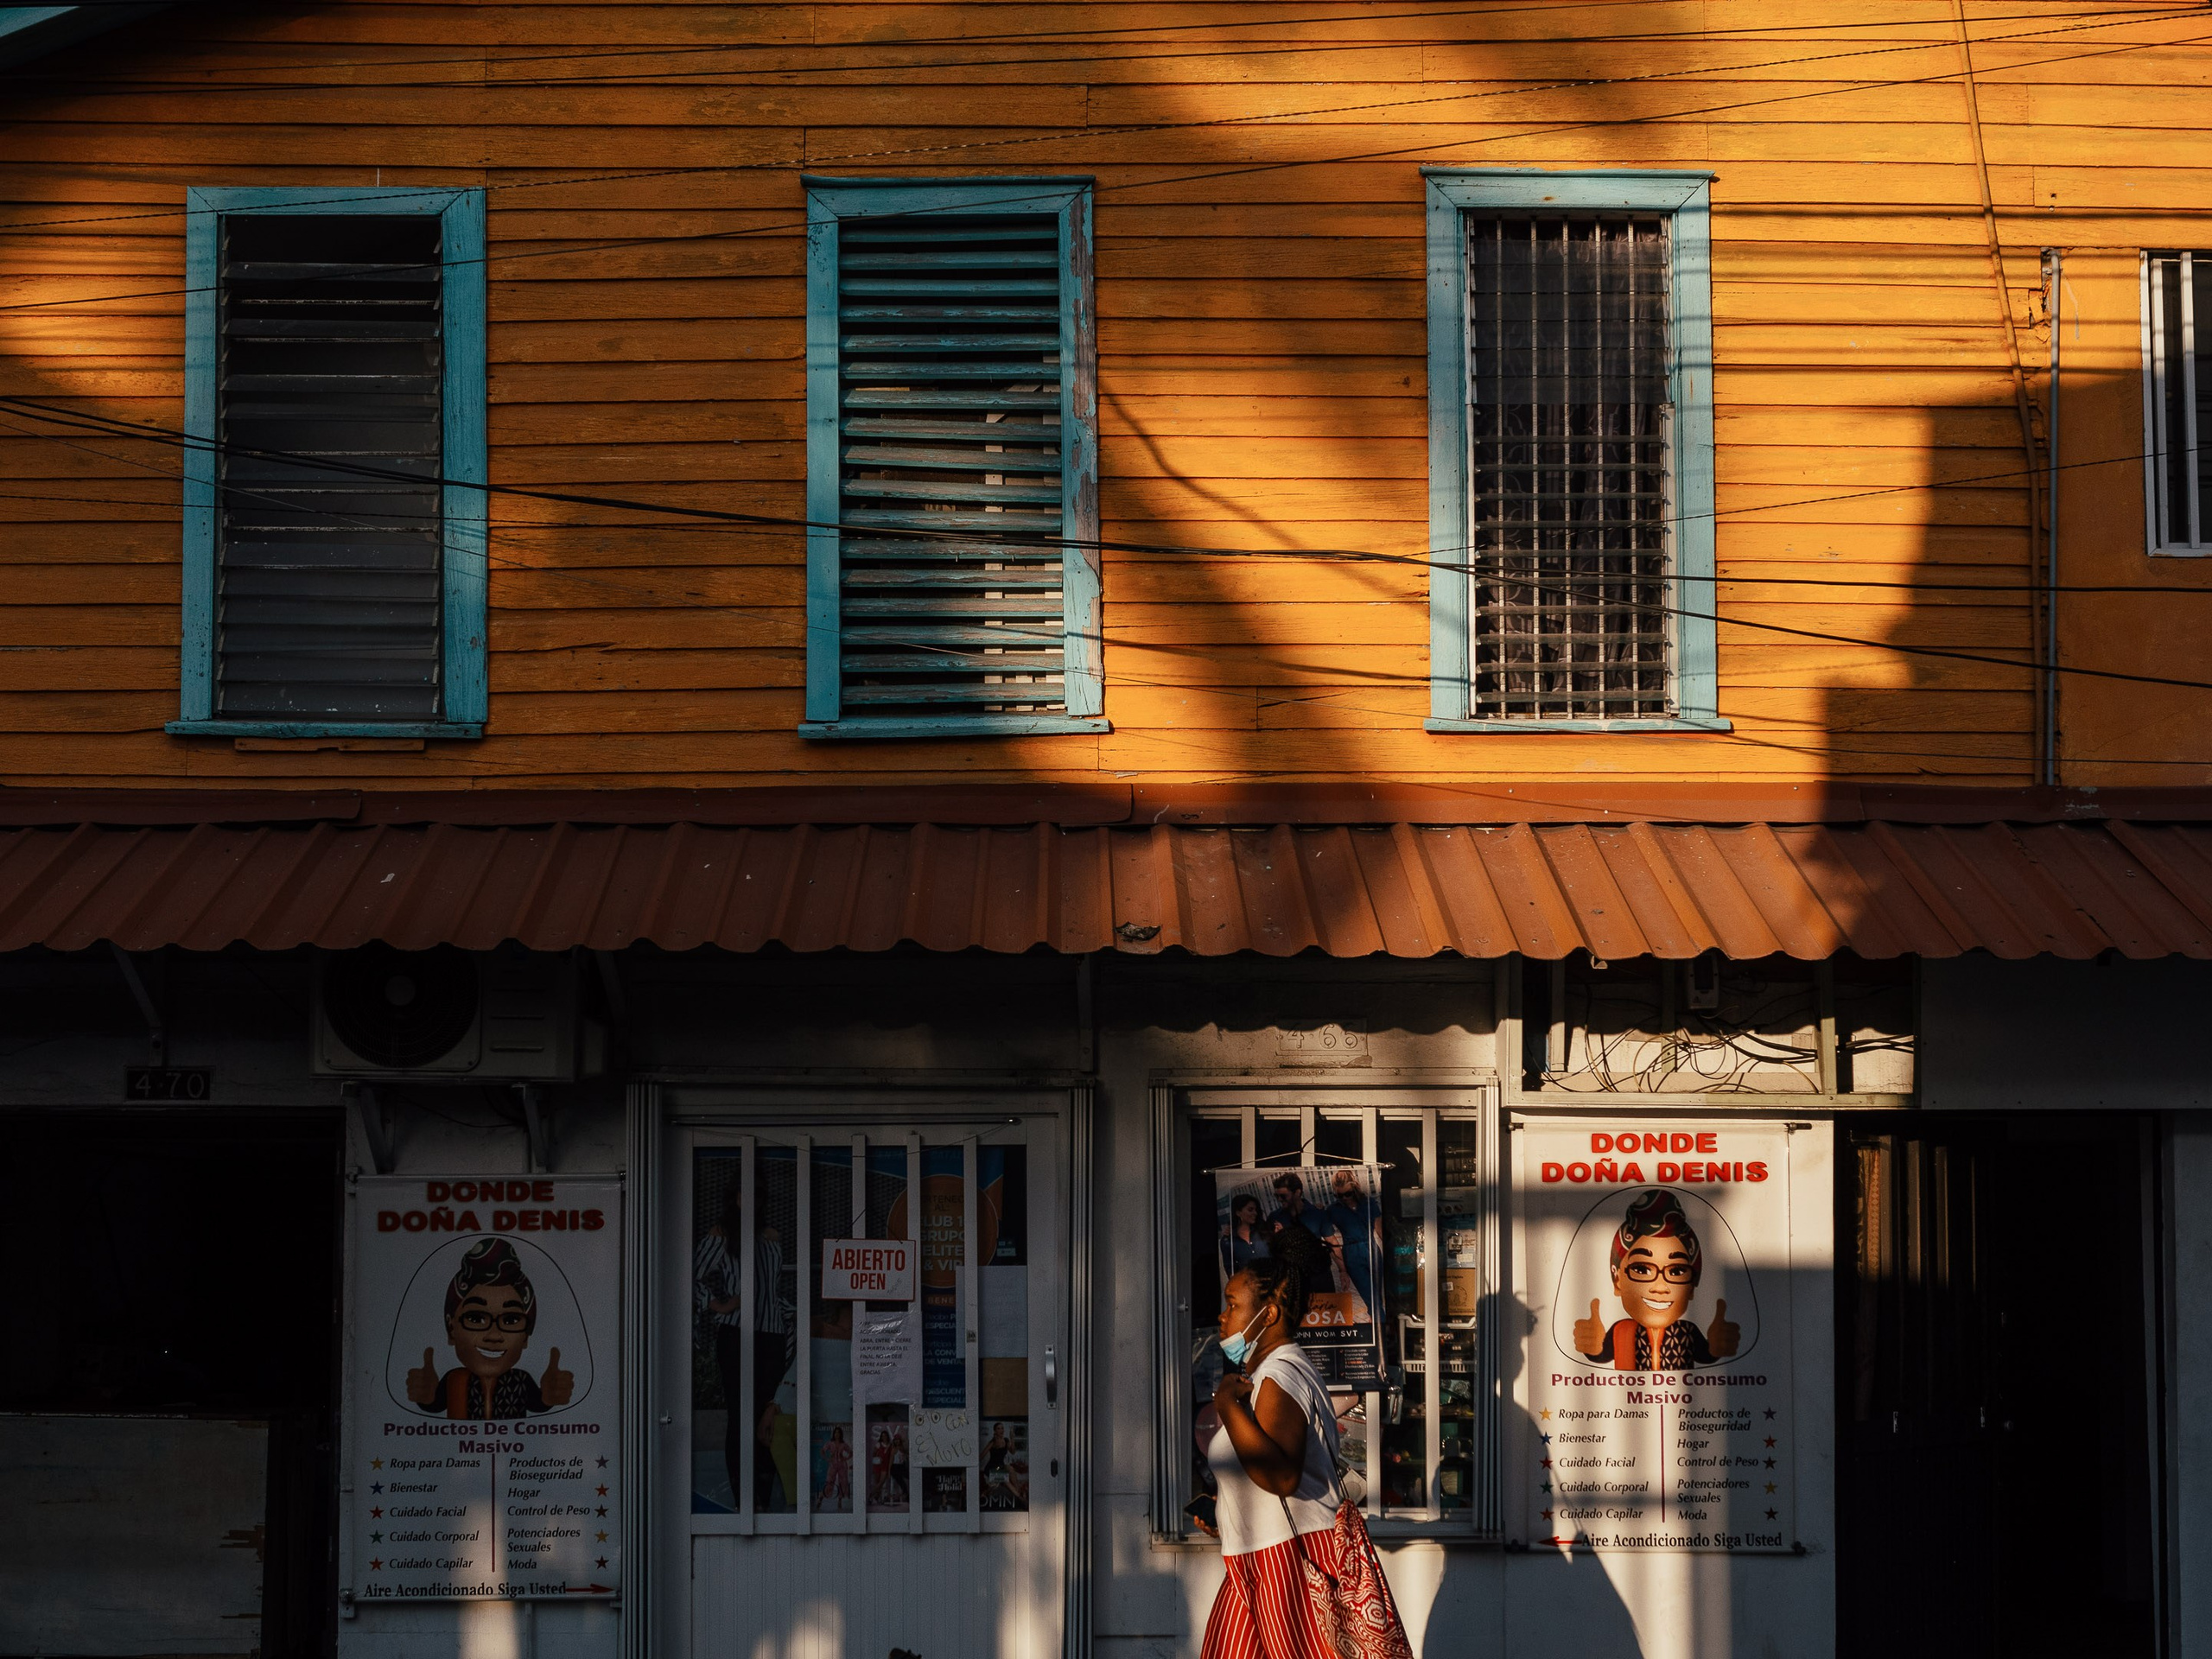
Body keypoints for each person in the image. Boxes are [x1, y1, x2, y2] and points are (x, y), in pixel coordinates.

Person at [1194, 1226, 1366, 1659]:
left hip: (1285, 1566)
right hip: (1257, 1559)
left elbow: (1282, 1475)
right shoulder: (1275, 1370)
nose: (1222, 1316)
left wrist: (1227, 1407)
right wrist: (1224, 1509)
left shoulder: (1279, 1373)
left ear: (1267, 1315)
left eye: (1232, 1305)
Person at [692, 1194, 796, 1508]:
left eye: (756, 1192)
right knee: (741, 1414)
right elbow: (691, 1274)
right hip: (737, 1330)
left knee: (768, 1414)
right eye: (742, 1193)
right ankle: (744, 1501)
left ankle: (762, 1499)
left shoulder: (771, 1235)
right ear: (733, 1197)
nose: (750, 1199)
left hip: (772, 1331)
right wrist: (721, 1304)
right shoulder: (721, 1234)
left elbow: (770, 1285)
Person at [1573, 1188, 1742, 1371]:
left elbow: (1706, 1355)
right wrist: (1592, 1347)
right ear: (1617, 1279)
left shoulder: (1686, 1333)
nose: (1660, 1287)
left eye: (1677, 1271)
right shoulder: (1621, 1332)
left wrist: (1716, 1348)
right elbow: (1601, 1354)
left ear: (1692, 1286)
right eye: (1642, 1269)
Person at [407, 1236, 573, 1420]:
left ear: (525, 1336)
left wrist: (549, 1398)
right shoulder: (453, 1381)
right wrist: (425, 1398)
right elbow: (434, 1405)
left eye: (510, 1320)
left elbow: (539, 1404)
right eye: (476, 1318)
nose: (494, 1335)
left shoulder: (520, 1382)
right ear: (451, 1328)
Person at [1323, 1168, 1381, 1316]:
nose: (1344, 1198)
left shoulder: (1368, 1203)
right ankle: (1378, 1318)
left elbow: (1379, 1228)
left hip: (1371, 1247)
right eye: (1339, 1195)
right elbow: (1325, 1231)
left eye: (1347, 1194)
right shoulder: (1333, 1210)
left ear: (1354, 1187)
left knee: (1378, 1292)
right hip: (1351, 1252)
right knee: (1368, 1293)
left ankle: (1375, 1316)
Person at [1220, 1192, 1271, 1279]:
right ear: (1238, 1213)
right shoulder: (1228, 1240)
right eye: (1250, 1210)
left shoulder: (1264, 1231)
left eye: (1256, 1210)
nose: (1255, 1213)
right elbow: (1231, 1271)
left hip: (1274, 1284)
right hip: (1250, 1288)